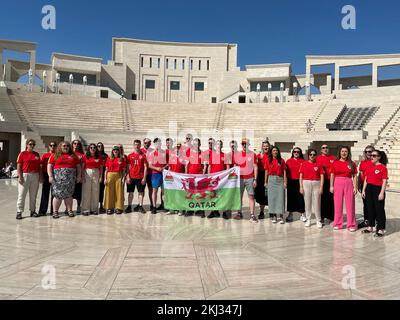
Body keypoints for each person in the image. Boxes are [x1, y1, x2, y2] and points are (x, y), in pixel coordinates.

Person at [48, 141, 81, 219]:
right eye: (64, 146)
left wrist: (79, 176)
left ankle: (69, 210)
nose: (65, 147)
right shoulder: (54, 155)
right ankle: (55, 211)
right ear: (60, 147)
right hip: (58, 179)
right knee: (57, 195)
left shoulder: (73, 156)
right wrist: (50, 176)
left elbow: (78, 167)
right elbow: (49, 166)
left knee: (69, 195)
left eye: (67, 146)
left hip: (70, 179)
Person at [330, 146, 358, 232]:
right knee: (338, 203)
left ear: (348, 153)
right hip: (338, 182)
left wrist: (355, 187)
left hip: (349, 182)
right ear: (340, 152)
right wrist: (331, 186)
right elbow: (332, 175)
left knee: (350, 204)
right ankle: (338, 223)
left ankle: (351, 224)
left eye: (346, 151)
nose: (344, 153)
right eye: (342, 151)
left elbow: (354, 176)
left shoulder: (351, 163)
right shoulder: (335, 163)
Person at [361, 150, 388, 237]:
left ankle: (381, 229)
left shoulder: (383, 167)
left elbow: (384, 181)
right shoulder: (369, 166)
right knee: (370, 208)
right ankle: (370, 226)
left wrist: (381, 193)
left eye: (374, 155)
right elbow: (366, 179)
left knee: (379, 209)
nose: (371, 157)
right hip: (369, 188)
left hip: (378, 188)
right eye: (371, 155)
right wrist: (364, 190)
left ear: (379, 157)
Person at [16, 139, 42, 220]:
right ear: (27, 145)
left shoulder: (36, 154)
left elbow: (39, 166)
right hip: (25, 175)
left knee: (33, 195)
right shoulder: (22, 154)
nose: (32, 146)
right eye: (30, 144)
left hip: (35, 175)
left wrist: (40, 176)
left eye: (33, 144)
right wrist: (20, 176)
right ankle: (19, 211)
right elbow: (19, 166)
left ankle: (33, 211)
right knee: (22, 194)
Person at [234, 138, 258, 223]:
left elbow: (255, 167)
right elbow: (235, 167)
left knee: (251, 196)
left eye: (246, 144)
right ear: (241, 145)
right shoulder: (238, 155)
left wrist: (255, 179)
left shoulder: (252, 154)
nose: (244, 145)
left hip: (250, 178)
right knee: (239, 196)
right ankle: (239, 212)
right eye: (243, 144)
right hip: (240, 178)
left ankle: (252, 214)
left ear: (248, 144)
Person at [299, 149, 324, 228]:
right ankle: (308, 219)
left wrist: (321, 187)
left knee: (317, 202)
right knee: (307, 202)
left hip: (316, 183)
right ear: (308, 155)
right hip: (306, 182)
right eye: (310, 154)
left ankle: (318, 220)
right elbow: (301, 176)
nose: (312, 156)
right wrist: (301, 187)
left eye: (314, 154)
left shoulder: (319, 164)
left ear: (316, 155)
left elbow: (322, 176)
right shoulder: (304, 164)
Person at [207, 140, 229, 219]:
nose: (218, 146)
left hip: (222, 179)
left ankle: (224, 212)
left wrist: (227, 176)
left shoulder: (225, 155)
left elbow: (227, 167)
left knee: (223, 195)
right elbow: (209, 166)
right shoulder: (212, 156)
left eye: (220, 144)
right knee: (213, 195)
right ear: (215, 146)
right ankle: (214, 211)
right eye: (217, 144)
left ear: (222, 145)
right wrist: (209, 177)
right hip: (213, 179)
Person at [264, 146, 287, 224]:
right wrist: (265, 182)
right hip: (271, 180)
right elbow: (266, 171)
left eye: (276, 150)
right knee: (272, 199)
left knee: (280, 198)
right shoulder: (268, 160)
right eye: (274, 150)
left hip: (279, 180)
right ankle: (273, 215)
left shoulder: (281, 160)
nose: (275, 152)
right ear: (271, 152)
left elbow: (284, 172)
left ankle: (280, 216)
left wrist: (285, 182)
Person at [126, 140, 148, 214]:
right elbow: (128, 167)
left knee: (141, 192)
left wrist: (144, 178)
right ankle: (129, 206)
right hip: (132, 177)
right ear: (133, 145)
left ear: (140, 145)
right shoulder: (130, 156)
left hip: (140, 177)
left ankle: (140, 206)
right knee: (130, 193)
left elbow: (145, 167)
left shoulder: (143, 155)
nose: (137, 146)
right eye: (135, 144)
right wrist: (128, 176)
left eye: (138, 145)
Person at [185, 138, 205, 217]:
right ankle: (190, 210)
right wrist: (186, 175)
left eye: (197, 144)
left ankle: (200, 210)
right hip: (190, 176)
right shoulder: (189, 152)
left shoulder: (202, 154)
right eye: (194, 144)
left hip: (199, 176)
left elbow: (204, 167)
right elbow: (187, 164)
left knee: (200, 194)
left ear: (199, 144)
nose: (196, 145)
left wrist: (203, 176)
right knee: (190, 193)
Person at [81, 144, 103, 216]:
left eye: (94, 148)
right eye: (91, 147)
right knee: (86, 191)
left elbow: (101, 167)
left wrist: (100, 177)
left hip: (96, 172)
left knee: (95, 191)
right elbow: (82, 167)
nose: (92, 149)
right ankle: (85, 209)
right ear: (89, 149)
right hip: (87, 172)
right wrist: (82, 176)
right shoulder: (85, 156)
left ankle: (94, 209)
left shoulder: (99, 157)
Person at [316, 144, 336, 225]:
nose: (325, 149)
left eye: (326, 147)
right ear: (321, 150)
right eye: (323, 148)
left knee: (331, 199)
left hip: (331, 181)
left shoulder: (333, 158)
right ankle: (322, 217)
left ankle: (331, 217)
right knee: (322, 200)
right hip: (321, 181)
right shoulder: (317, 158)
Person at [104, 146, 127, 215]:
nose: (115, 151)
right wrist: (105, 179)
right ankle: (109, 207)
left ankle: (118, 207)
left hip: (119, 176)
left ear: (119, 151)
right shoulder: (109, 158)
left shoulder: (121, 159)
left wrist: (123, 178)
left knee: (119, 192)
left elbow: (124, 170)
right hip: (110, 175)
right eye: (114, 150)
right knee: (109, 191)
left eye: (117, 150)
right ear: (112, 151)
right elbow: (106, 170)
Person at [148, 138, 167, 214]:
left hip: (163, 174)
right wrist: (157, 168)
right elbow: (150, 165)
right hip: (155, 174)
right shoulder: (151, 153)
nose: (157, 145)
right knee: (155, 191)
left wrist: (163, 168)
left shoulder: (164, 153)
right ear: (154, 144)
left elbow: (167, 164)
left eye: (159, 143)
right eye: (156, 143)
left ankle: (164, 205)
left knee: (163, 191)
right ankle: (154, 207)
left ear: (160, 144)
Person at [285, 147, 305, 222]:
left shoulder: (303, 161)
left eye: (298, 152)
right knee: (291, 198)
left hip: (300, 182)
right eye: (295, 152)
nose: (296, 153)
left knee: (301, 198)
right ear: (292, 153)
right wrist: (285, 182)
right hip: (291, 182)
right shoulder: (288, 161)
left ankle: (302, 214)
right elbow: (286, 173)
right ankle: (290, 214)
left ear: (300, 153)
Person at [358, 145, 375, 229]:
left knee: (374, 204)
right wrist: (359, 184)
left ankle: (374, 221)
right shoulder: (363, 162)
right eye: (366, 151)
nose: (368, 153)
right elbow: (360, 174)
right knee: (366, 204)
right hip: (364, 186)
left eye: (370, 151)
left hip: (373, 185)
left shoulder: (375, 162)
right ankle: (366, 220)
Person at [38, 142, 57, 216]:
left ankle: (54, 210)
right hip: (46, 175)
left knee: (54, 193)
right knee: (45, 193)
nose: (52, 146)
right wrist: (41, 176)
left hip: (55, 175)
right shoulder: (45, 155)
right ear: (49, 146)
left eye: (54, 145)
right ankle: (42, 211)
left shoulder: (57, 155)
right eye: (51, 145)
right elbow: (42, 166)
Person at [254, 141, 270, 220]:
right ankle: (262, 211)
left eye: (267, 146)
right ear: (262, 147)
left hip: (270, 176)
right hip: (260, 176)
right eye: (264, 146)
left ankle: (272, 211)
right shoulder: (258, 156)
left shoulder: (271, 156)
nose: (266, 147)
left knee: (270, 194)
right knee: (261, 195)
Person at [224, 140, 239, 219]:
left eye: (234, 145)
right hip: (231, 177)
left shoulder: (240, 155)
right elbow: (227, 168)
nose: (233, 147)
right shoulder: (228, 155)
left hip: (239, 177)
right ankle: (228, 211)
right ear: (230, 146)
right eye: (232, 145)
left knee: (238, 195)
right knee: (229, 194)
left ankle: (238, 212)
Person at [141, 138, 154, 210]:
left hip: (150, 173)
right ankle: (141, 205)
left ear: (150, 143)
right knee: (141, 190)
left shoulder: (152, 151)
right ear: (143, 143)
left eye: (148, 143)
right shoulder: (140, 151)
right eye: (145, 143)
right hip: (142, 173)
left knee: (150, 190)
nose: (147, 144)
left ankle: (152, 204)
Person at [72, 140, 84, 213]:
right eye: (75, 143)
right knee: (69, 192)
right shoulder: (69, 153)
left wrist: (81, 176)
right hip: (70, 175)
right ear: (72, 144)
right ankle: (68, 207)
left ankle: (78, 206)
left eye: (78, 144)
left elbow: (83, 166)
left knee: (79, 192)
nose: (76, 145)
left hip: (78, 175)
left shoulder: (82, 155)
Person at [97, 142, 108, 213]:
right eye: (98, 146)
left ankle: (101, 205)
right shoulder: (94, 155)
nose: (100, 147)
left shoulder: (105, 156)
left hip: (103, 174)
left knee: (101, 190)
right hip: (95, 173)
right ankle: (94, 205)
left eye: (101, 146)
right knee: (94, 191)